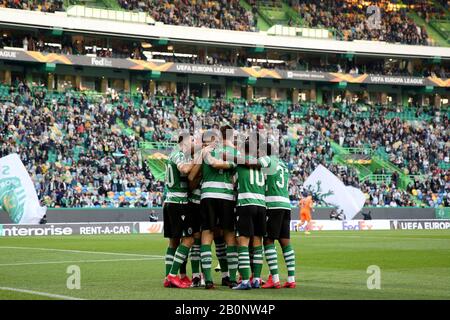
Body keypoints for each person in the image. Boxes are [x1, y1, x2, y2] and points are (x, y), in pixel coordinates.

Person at [199, 125, 238, 289]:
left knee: (207, 234)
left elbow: (207, 166)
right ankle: (231, 278)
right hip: (227, 196)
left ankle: (208, 279)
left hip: (208, 195)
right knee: (229, 236)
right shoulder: (236, 153)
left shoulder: (205, 150)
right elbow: (235, 178)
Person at [257, 142, 296, 289]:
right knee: (285, 242)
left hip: (272, 204)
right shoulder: (284, 165)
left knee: (268, 240)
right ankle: (291, 279)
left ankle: (274, 278)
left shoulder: (268, 160)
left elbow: (256, 163)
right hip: (286, 204)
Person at [231, 139, 267, 290]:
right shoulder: (263, 162)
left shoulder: (239, 161)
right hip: (261, 205)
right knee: (258, 242)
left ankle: (245, 280)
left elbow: (233, 183)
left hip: (246, 203)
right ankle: (257, 279)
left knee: (243, 242)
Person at [163, 132, 196, 289]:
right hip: (179, 202)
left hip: (170, 201)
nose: (193, 143)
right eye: (192, 141)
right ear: (184, 142)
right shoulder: (179, 154)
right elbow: (183, 169)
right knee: (189, 239)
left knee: (173, 242)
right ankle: (172, 275)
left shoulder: (173, 154)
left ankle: (170, 276)